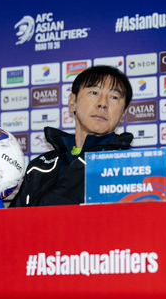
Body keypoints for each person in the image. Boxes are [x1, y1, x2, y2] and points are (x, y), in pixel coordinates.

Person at [10, 65, 133, 207]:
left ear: (123, 113)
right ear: (72, 102)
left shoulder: (131, 166)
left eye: (113, 97)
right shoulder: (40, 167)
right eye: (94, 93)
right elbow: (14, 225)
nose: (102, 103)